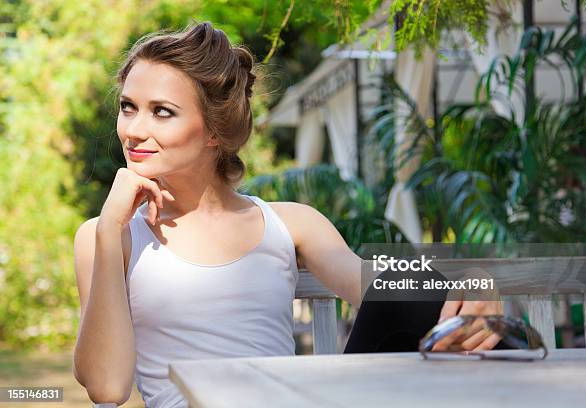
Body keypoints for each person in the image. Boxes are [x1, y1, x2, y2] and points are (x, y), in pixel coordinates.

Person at [72, 21, 502, 407]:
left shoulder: (289, 223)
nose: (133, 129)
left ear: (214, 132)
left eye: (161, 112)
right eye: (128, 107)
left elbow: (386, 291)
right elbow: (107, 388)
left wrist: (470, 286)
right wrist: (110, 230)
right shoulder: (108, 237)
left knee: (411, 292)